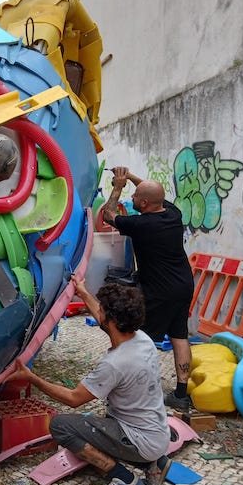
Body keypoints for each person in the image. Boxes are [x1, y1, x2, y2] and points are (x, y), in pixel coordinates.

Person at [6, 278, 171, 485]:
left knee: (61, 426)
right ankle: (155, 464)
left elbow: (74, 399)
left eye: (101, 310)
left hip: (139, 440)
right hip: (158, 434)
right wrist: (82, 292)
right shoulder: (141, 338)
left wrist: (31, 377)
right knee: (108, 419)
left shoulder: (115, 364)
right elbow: (105, 318)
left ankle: (124, 480)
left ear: (111, 321)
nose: (97, 311)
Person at [102, 166, 194, 411]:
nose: (131, 199)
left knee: (140, 338)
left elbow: (108, 215)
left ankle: (139, 391)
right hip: (184, 284)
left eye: (135, 198)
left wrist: (119, 185)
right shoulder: (172, 215)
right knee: (179, 336)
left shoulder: (142, 225)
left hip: (159, 290)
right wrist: (132, 176)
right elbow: (156, 196)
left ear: (143, 203)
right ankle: (182, 395)